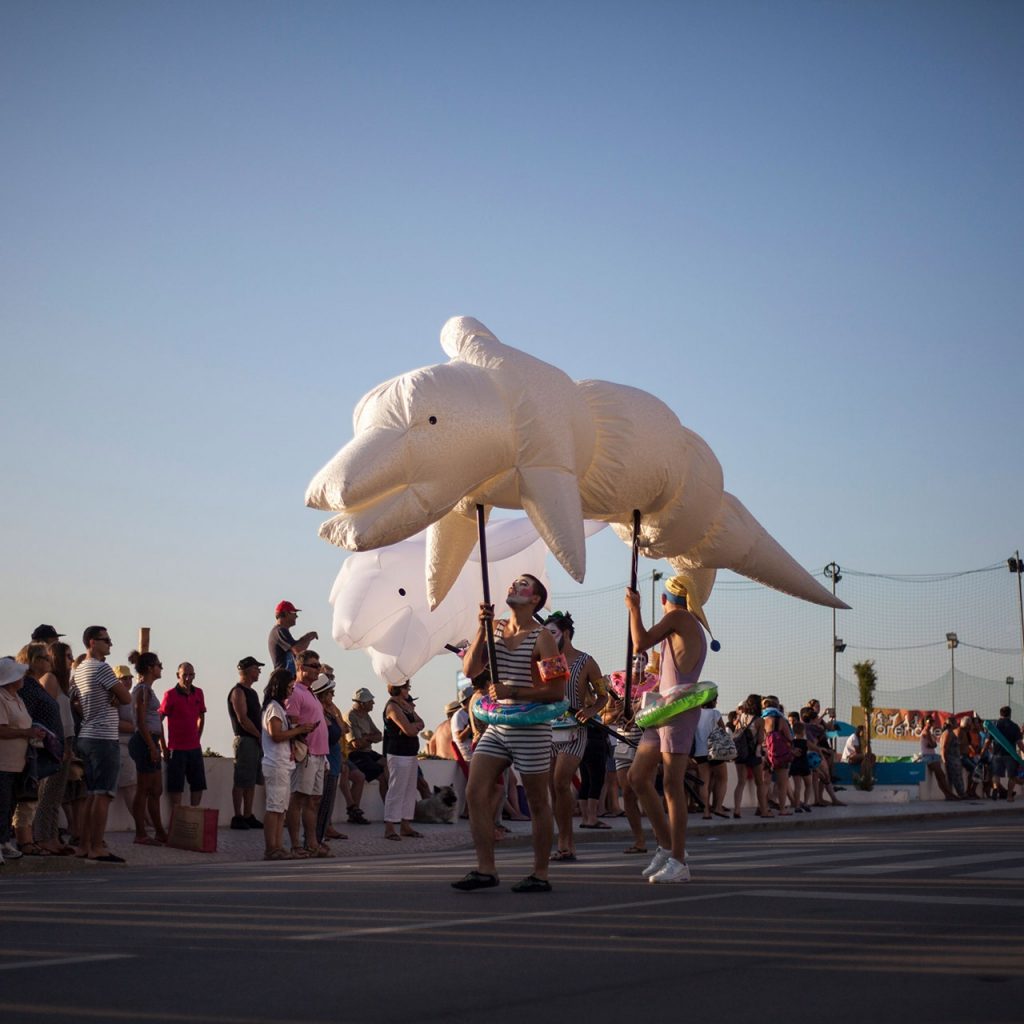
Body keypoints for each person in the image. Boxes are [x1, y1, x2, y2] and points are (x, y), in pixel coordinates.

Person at [453, 572, 560, 893]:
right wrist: (480, 628)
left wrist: (514, 691)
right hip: (498, 726)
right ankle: (486, 869)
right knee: (475, 792)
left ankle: (540, 873)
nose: (514, 585)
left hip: (532, 729)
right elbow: (470, 670)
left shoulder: (542, 637)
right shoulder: (495, 628)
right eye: (514, 582)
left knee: (538, 801)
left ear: (535, 599)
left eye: (523, 584)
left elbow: (556, 691)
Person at [624, 573, 711, 884]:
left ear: (665, 599)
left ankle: (679, 860)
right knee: (637, 777)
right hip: (662, 710)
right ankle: (666, 846)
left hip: (679, 710)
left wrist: (634, 608)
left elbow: (639, 642)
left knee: (672, 785)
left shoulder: (679, 617)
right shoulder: (681, 624)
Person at [543, 610, 607, 859]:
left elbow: (603, 696)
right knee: (553, 786)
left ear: (566, 633)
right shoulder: (550, 661)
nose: (548, 638)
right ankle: (565, 841)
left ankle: (565, 842)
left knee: (561, 780)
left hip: (575, 730)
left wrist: (590, 711)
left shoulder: (586, 661)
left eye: (552, 633)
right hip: (549, 729)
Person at [75, 626, 132, 862]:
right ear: (92, 642)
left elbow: (77, 702)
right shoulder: (101, 668)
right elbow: (126, 697)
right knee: (103, 795)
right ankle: (97, 847)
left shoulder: (79, 669)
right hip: (103, 738)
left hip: (86, 735)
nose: (110, 644)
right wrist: (113, 696)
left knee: (91, 794)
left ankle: (84, 845)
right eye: (106, 640)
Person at [12, 644, 64, 856]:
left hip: (41, 749)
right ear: (31, 660)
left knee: (33, 797)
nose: (49, 661)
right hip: (32, 749)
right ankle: (24, 841)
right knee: (27, 797)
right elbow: (25, 717)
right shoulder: (26, 687)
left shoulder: (36, 685)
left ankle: (28, 839)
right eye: (44, 657)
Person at [260, 669, 315, 860]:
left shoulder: (279, 708)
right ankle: (271, 848)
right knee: (274, 807)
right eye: (290, 687)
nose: (292, 690)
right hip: (275, 763)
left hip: (283, 763)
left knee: (281, 808)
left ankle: (278, 846)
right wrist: (298, 730)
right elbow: (275, 735)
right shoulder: (274, 708)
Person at [0, 657, 47, 864]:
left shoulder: (16, 698)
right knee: (2, 805)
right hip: (3, 762)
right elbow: (2, 730)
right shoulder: (1, 698)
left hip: (18, 763)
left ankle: (4, 843)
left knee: (10, 805)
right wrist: (27, 732)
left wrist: (32, 733)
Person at [284, 650, 329, 857]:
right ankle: (296, 845)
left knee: (314, 800)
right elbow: (291, 724)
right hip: (306, 754)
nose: (318, 669)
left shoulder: (310, 692)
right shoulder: (295, 692)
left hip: (318, 753)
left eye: (318, 665)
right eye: (314, 665)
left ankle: (311, 843)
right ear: (301, 668)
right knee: (299, 798)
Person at [34, 641, 77, 855]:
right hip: (54, 743)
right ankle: (43, 838)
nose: (72, 660)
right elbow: (46, 714)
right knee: (47, 794)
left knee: (57, 795)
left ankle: (52, 837)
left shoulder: (62, 683)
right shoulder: (49, 679)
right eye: (68, 656)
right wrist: (56, 745)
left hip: (65, 742)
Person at [127, 650, 168, 845]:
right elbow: (141, 721)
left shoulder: (148, 690)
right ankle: (140, 833)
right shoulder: (142, 690)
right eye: (159, 665)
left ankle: (159, 830)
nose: (161, 668)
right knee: (143, 788)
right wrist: (152, 746)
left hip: (152, 741)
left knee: (156, 789)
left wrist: (160, 745)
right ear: (151, 668)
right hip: (145, 741)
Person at [382, 679, 425, 840]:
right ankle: (390, 827)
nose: (408, 690)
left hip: (410, 753)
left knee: (409, 790)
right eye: (406, 688)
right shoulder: (392, 707)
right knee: (396, 790)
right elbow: (409, 730)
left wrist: (415, 726)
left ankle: (405, 825)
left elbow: (421, 723)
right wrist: (414, 727)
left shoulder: (406, 706)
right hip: (398, 753)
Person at [160, 663, 207, 808]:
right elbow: (158, 720)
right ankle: (178, 816)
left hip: (194, 748)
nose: (188, 678)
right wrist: (163, 747)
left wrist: (198, 736)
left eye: (191, 675)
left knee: (198, 784)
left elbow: (201, 715)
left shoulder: (198, 693)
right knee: (176, 786)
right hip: (176, 749)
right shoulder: (170, 695)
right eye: (185, 675)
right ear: (178, 675)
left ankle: (193, 814)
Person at [228, 656, 265, 829]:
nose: (259, 672)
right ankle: (237, 815)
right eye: (256, 668)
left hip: (255, 740)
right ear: (248, 670)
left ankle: (248, 814)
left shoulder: (253, 692)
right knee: (241, 780)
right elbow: (242, 719)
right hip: (245, 740)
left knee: (250, 781)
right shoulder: (238, 691)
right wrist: (258, 735)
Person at [345, 687, 388, 820]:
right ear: (363, 704)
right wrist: (370, 738)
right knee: (380, 776)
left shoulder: (365, 716)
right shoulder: (351, 716)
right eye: (370, 701)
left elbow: (379, 735)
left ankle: (390, 809)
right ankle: (356, 813)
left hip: (367, 752)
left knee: (388, 764)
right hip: (356, 754)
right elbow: (356, 744)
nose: (373, 703)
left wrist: (366, 737)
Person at [732, 693, 769, 818]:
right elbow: (760, 739)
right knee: (760, 783)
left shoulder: (741, 716)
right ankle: (763, 810)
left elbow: (737, 732)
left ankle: (737, 810)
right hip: (753, 753)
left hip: (740, 752)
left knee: (740, 782)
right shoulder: (759, 720)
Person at [112, 664, 138, 826]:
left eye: (129, 678)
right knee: (129, 786)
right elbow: (115, 722)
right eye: (124, 678)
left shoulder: (131, 697)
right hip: (122, 745)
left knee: (137, 786)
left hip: (134, 746)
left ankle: (145, 822)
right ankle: (141, 823)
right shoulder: (115, 699)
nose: (128, 681)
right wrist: (137, 728)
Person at [267, 601, 318, 676]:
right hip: (284, 678)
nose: (296, 616)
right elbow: (298, 650)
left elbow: (296, 647)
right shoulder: (280, 630)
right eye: (294, 613)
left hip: (285, 677)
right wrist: (309, 636)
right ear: (286, 613)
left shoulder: (279, 631)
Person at [984, 706, 1021, 802]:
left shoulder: (994, 725)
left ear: (1000, 714)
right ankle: (1009, 796)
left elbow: (987, 741)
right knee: (1012, 776)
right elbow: (1019, 743)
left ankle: (996, 788)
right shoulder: (1014, 726)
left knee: (996, 774)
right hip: (1010, 754)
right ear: (1010, 714)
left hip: (997, 754)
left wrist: (983, 751)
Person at [917, 714, 956, 800]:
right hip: (928, 757)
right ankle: (948, 794)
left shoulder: (929, 732)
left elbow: (933, 744)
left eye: (932, 721)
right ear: (926, 722)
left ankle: (948, 794)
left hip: (933, 756)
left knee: (941, 776)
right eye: (930, 721)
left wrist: (933, 744)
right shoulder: (926, 732)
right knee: (940, 775)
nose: (931, 723)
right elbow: (933, 744)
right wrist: (933, 744)